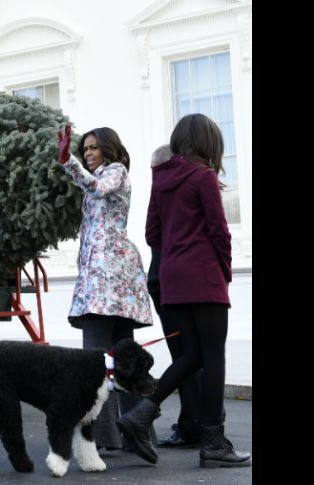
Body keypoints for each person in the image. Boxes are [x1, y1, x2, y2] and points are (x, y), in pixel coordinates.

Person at [117, 113, 251, 467]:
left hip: (173, 277)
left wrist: (177, 251)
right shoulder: (204, 176)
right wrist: (222, 270)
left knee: (191, 356)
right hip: (203, 276)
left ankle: (140, 415)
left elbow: (152, 234)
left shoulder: (161, 179)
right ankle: (214, 443)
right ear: (209, 143)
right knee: (213, 359)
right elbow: (219, 232)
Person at [55, 125, 154, 451]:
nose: (88, 153)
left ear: (109, 149)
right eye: (85, 149)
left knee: (101, 360)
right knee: (115, 358)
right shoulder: (105, 176)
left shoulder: (116, 172)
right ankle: (121, 435)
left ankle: (113, 436)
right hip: (105, 278)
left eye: (93, 148)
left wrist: (69, 162)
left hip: (110, 278)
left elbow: (97, 189)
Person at [148, 144, 217, 448]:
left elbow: (153, 235)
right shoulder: (195, 183)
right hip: (186, 281)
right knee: (196, 357)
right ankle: (198, 424)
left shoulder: (166, 191)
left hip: (168, 281)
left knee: (187, 357)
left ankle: (194, 424)